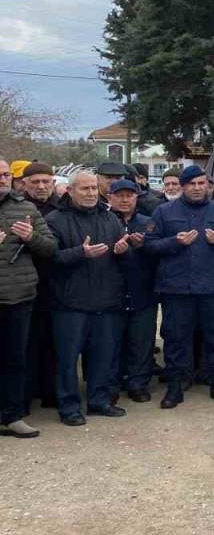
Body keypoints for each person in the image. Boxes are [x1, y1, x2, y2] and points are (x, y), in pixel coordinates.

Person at [145, 165, 214, 409]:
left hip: (212, 287)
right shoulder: (164, 212)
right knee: (176, 339)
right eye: (192, 184)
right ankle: (175, 388)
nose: (197, 188)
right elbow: (149, 246)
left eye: (201, 184)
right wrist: (174, 242)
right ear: (183, 186)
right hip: (177, 289)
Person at [45, 171, 131, 425]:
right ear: (70, 191)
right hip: (70, 304)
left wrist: (123, 251)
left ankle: (99, 401)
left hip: (107, 302)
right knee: (67, 360)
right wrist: (80, 253)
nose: (91, 193)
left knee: (103, 357)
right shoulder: (55, 220)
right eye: (85, 189)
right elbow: (50, 258)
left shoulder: (110, 219)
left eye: (94, 188)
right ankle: (69, 407)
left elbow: (123, 257)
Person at [0, 158, 56, 438]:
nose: (2, 179)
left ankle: (12, 416)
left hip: (18, 297)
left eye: (5, 174)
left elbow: (49, 247)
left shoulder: (25, 207)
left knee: (15, 360)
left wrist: (31, 236)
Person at [108, 179, 159, 403]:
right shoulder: (104, 221)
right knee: (112, 342)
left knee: (142, 341)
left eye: (130, 195)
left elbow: (160, 253)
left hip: (143, 290)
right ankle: (113, 383)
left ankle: (138, 383)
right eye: (120, 195)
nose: (125, 199)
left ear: (137, 197)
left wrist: (144, 247)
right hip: (111, 293)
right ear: (110, 198)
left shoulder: (149, 223)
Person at [18, 162, 61, 412]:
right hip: (23, 284)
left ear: (53, 182)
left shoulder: (64, 208)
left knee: (54, 341)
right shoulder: (16, 207)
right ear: (24, 184)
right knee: (26, 343)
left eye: (46, 181)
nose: (42, 186)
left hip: (56, 283)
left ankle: (51, 391)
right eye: (35, 182)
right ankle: (25, 392)